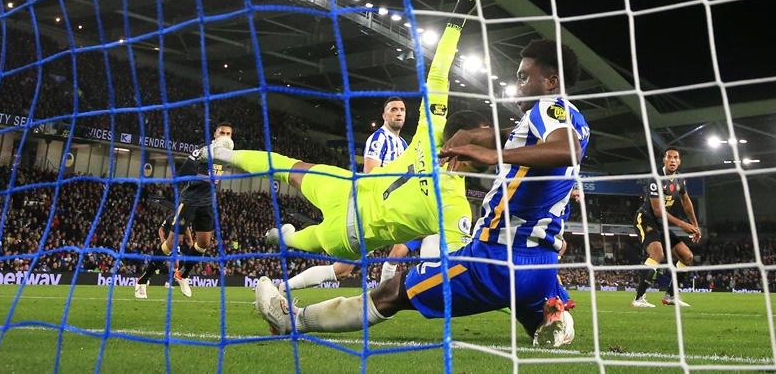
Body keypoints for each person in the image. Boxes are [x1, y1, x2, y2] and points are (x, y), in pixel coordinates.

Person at [253, 37, 587, 348]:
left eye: (525, 76)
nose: (518, 84)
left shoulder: (549, 109)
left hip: (496, 260)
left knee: (392, 292)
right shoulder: (573, 119)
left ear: (551, 81)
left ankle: (293, 321)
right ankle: (552, 315)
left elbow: (566, 149)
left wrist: (492, 155)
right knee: (533, 319)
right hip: (541, 266)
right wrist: (474, 138)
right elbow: (517, 136)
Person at [205, 21, 491, 268]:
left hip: (347, 191)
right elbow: (467, 265)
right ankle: (283, 237)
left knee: (286, 166)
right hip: (351, 233)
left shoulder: (432, 131)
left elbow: (439, 74)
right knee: (309, 236)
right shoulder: (455, 206)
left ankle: (220, 153)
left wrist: (454, 25)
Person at [278, 96, 421, 291]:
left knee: (348, 269)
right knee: (342, 270)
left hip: (388, 210)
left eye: (402, 110)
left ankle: (385, 290)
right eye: (394, 109)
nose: (398, 113)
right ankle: (283, 286)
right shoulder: (379, 139)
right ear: (384, 115)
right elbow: (370, 174)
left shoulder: (403, 143)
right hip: (372, 210)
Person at [134, 122, 234, 299]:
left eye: (228, 133)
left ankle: (182, 274)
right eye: (222, 133)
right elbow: (182, 173)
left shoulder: (229, 155)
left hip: (208, 204)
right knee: (171, 244)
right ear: (215, 134)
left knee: (204, 244)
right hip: (189, 202)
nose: (225, 136)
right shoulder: (203, 150)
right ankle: (143, 280)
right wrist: (204, 170)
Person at [631, 147, 700, 308]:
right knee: (657, 253)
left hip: (661, 224)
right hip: (645, 219)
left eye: (676, 157)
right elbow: (658, 211)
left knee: (687, 256)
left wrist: (695, 226)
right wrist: (683, 224)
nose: (673, 160)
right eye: (669, 157)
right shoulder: (656, 179)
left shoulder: (680, 180)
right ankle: (638, 298)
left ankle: (671, 296)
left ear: (680, 161)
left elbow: (686, 202)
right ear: (664, 160)